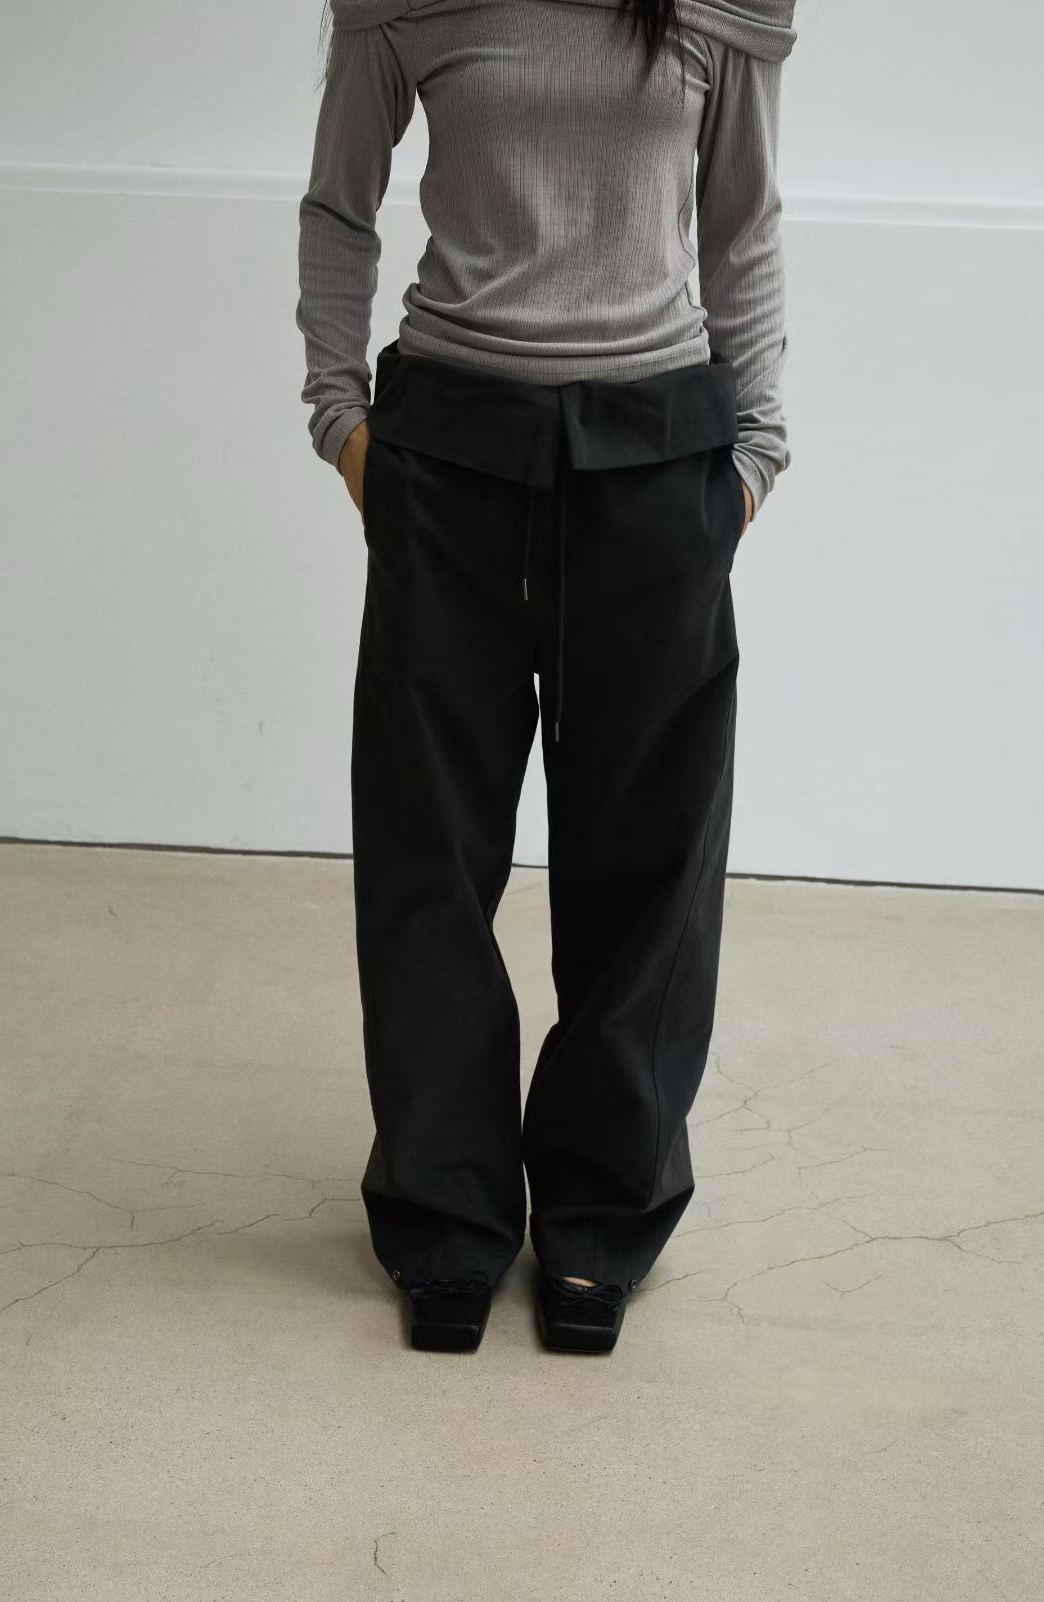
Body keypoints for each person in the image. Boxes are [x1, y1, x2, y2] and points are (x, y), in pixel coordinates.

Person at [296, 0, 797, 1354]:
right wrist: (342, 420)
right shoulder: (403, 3)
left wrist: (753, 456)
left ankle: (602, 1211)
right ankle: (443, 1211)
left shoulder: (718, 8)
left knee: (650, 858)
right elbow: (339, 205)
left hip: (658, 455)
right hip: (452, 454)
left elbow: (744, 219)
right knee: (430, 850)